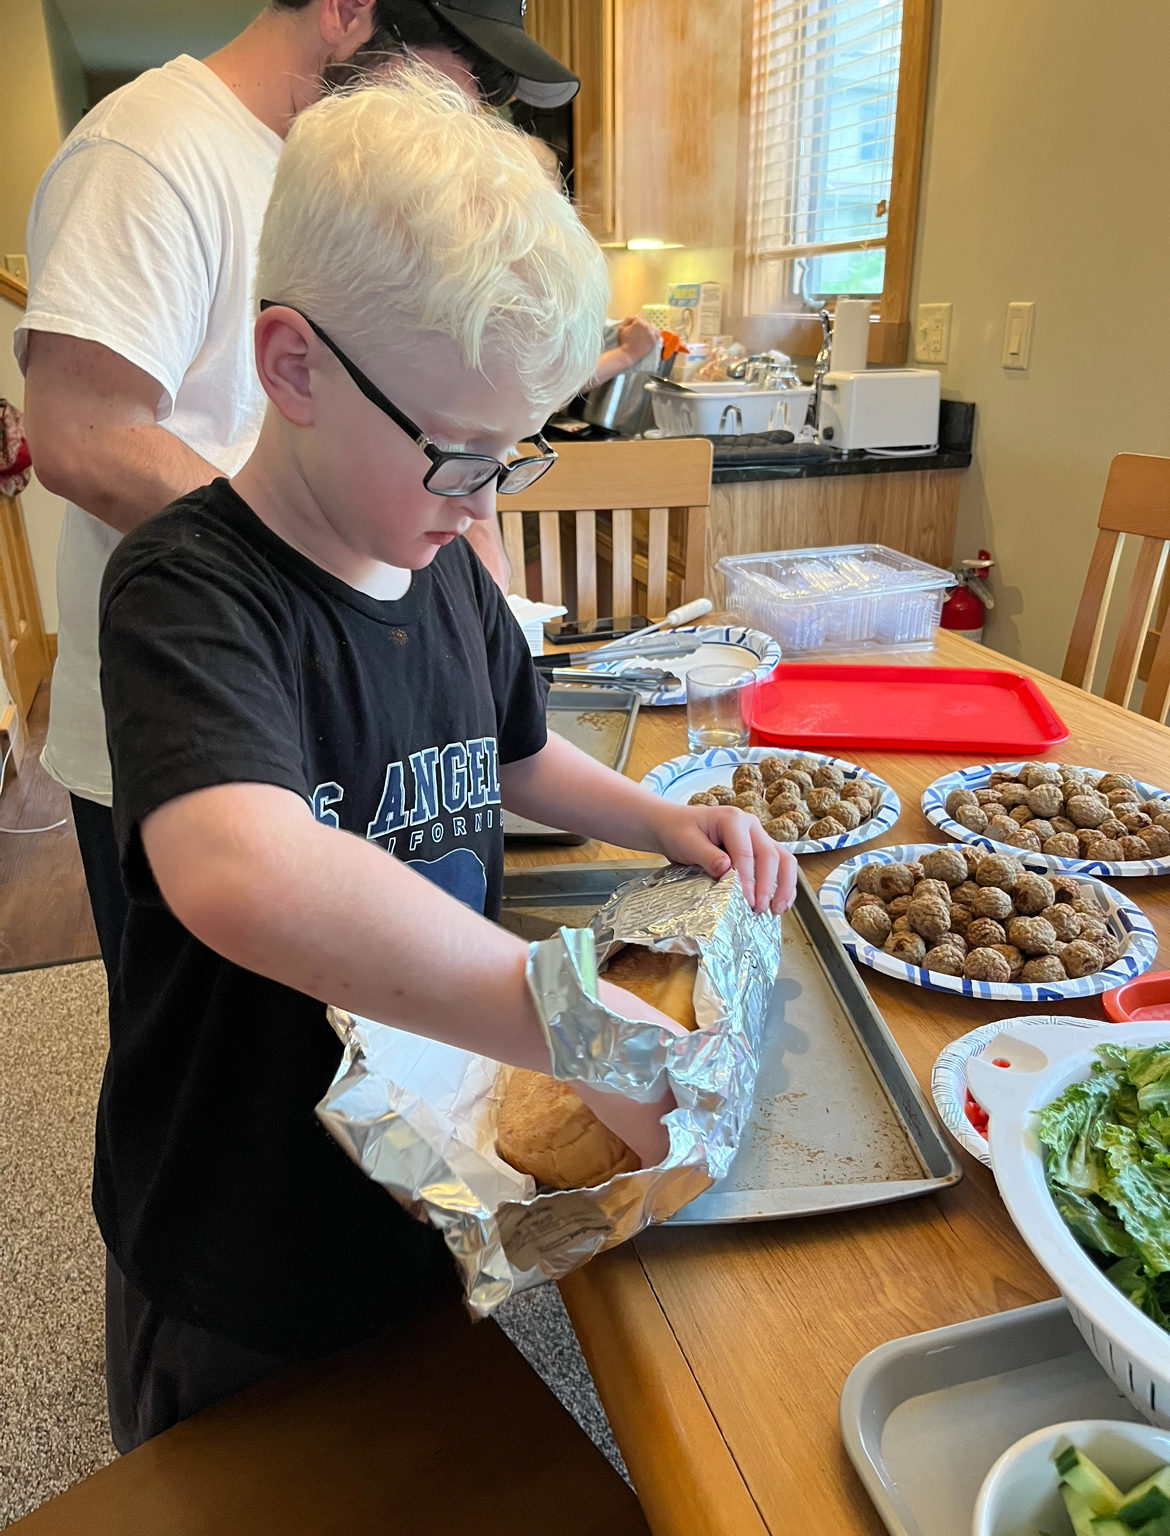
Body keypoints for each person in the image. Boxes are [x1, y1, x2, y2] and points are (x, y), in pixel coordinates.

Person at [94, 70, 796, 1451]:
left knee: (417, 1422)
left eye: (506, 460)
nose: (479, 503)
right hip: (240, 1230)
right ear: (291, 365)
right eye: (452, 455)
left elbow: (521, 757)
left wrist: (661, 821)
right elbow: (248, 870)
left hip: (420, 1174)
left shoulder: (445, 572)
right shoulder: (189, 593)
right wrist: (579, 1020)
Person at [19, 0, 575, 984]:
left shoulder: (357, 181)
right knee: (232, 1043)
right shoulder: (151, 150)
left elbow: (433, 439)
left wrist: (474, 589)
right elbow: (81, 436)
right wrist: (335, 573)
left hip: (369, 726)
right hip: (210, 713)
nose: (472, 113)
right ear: (349, 11)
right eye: (463, 72)